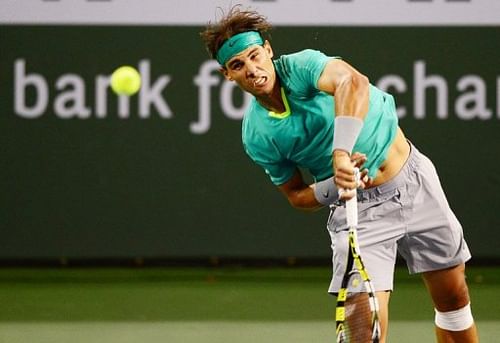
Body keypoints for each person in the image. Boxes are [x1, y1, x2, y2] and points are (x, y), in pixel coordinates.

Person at [200, 6, 479, 343]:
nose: (252, 70)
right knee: (362, 331)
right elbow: (296, 195)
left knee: (453, 299)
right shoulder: (257, 134)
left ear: (268, 50)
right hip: (360, 214)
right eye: (238, 65)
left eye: (255, 56)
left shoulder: (301, 66)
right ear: (226, 74)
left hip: (414, 181)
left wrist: (341, 152)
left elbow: (353, 81)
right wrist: (335, 185)